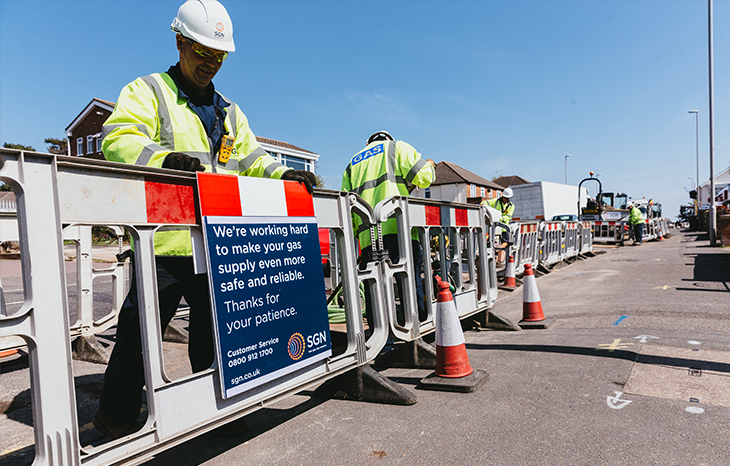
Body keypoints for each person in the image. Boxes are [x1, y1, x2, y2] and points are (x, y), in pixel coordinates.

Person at [94, 0, 315, 440]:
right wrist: (164, 159)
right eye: (203, 54)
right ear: (180, 42)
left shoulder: (229, 111)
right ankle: (115, 419)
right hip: (164, 241)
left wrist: (283, 174)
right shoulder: (149, 91)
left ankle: (216, 408)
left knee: (216, 334)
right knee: (140, 333)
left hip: (218, 240)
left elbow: (253, 158)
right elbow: (118, 138)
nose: (210, 65)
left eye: (218, 57)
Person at [341, 130, 435, 324]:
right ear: (387, 138)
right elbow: (423, 177)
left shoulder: (352, 164)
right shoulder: (396, 148)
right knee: (407, 280)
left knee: (374, 285)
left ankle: (379, 334)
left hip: (368, 235)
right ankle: (414, 328)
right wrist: (431, 166)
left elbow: (346, 208)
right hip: (398, 229)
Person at [481, 187, 515, 267]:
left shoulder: (511, 206)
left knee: (505, 243)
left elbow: (508, 217)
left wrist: (499, 218)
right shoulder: (495, 202)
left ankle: (499, 262)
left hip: (504, 228)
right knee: (489, 243)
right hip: (493, 227)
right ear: (503, 196)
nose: (506, 200)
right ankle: (490, 260)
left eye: (508, 198)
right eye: (505, 198)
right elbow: (484, 203)